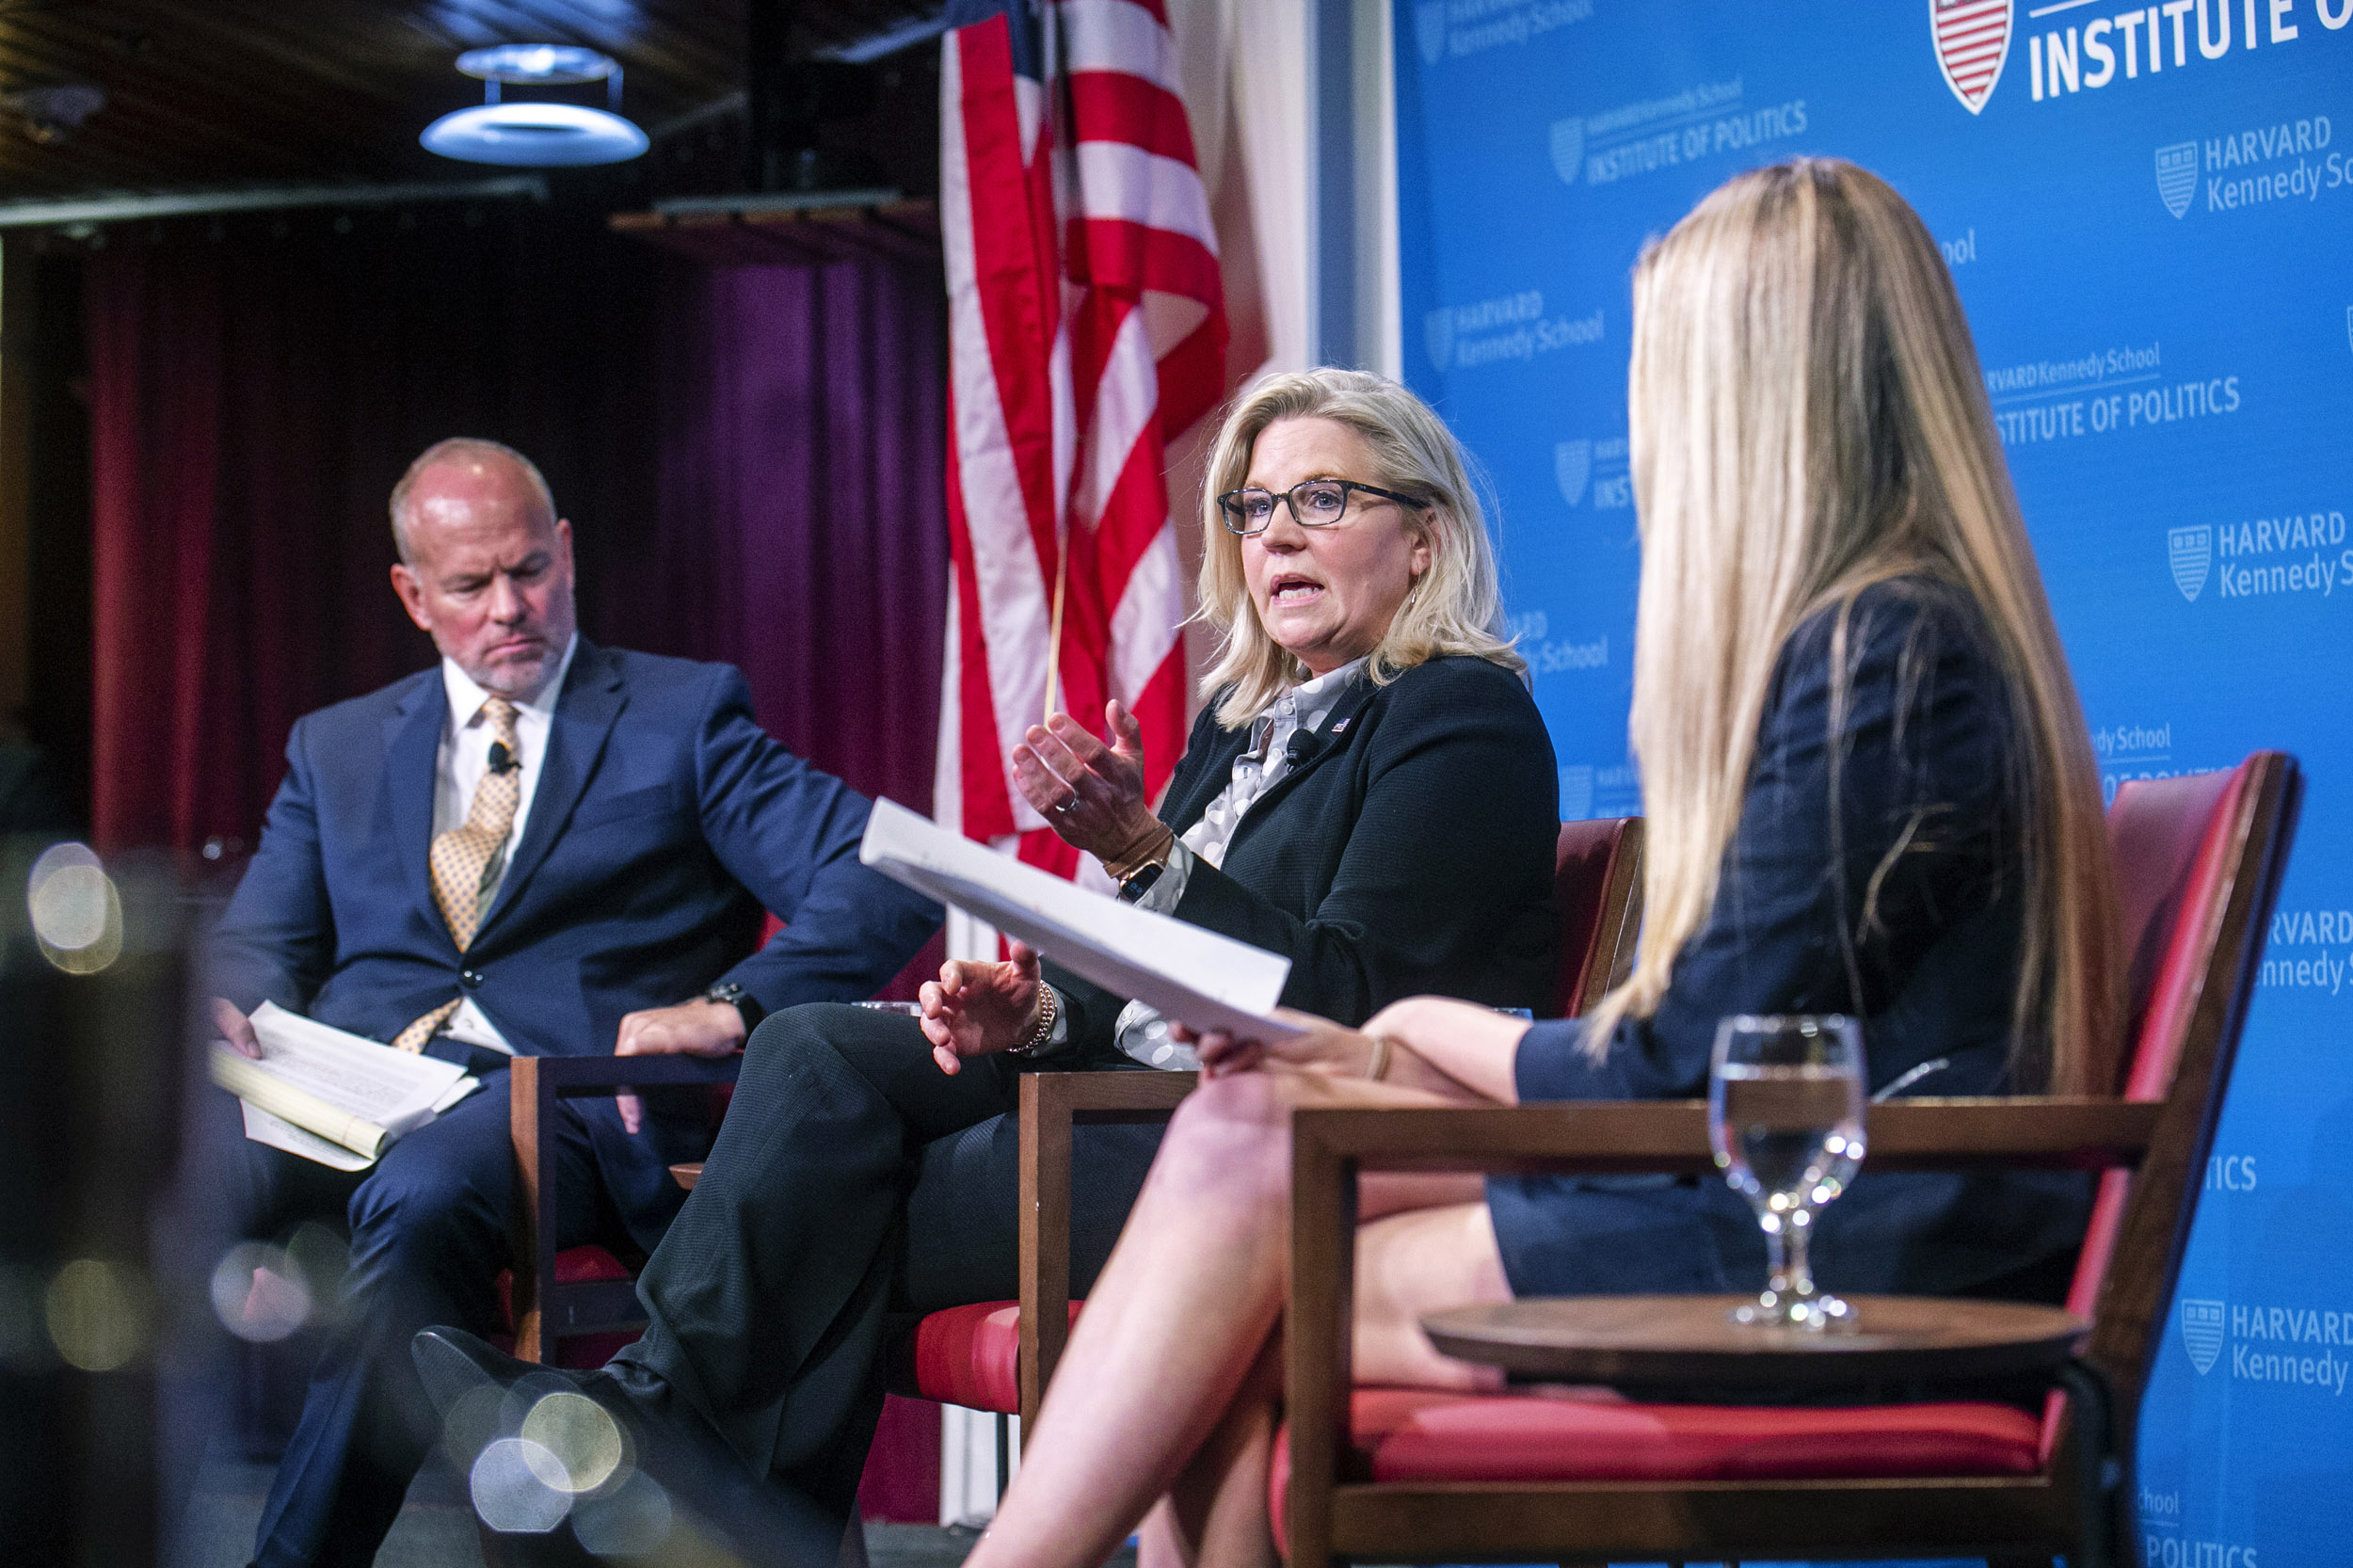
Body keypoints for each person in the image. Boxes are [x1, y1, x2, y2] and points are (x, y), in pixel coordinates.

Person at [955, 158, 2126, 1568]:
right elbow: (1705, 1040)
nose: (1649, 428)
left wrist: (1405, 1033)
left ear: (1753, 394)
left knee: (1244, 1298)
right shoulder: (1883, 631)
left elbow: (1677, 1058)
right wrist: (1370, 1063)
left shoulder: (1884, 651)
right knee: (1248, 1129)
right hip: (1772, 1180)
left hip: (1860, 1225)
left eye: (1666, 373)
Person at [415, 368, 1563, 1563]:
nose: (1273, 531)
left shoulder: (1456, 717)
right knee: (809, 1049)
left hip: (1274, 1139)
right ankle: (673, 1459)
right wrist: (1033, 1016)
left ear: (1422, 540)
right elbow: (1152, 978)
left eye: (1319, 500)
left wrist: (1142, 851)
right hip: (1139, 1092)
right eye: (1251, 506)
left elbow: (1344, 998)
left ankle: (647, 1444)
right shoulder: (1241, 726)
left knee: (817, 1212)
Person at [206, 438, 942, 1568]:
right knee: (102, 1171)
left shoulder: (679, 718)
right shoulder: (340, 746)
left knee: (423, 1199)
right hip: (345, 1091)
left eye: (529, 571)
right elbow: (262, 942)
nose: (511, 607)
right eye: (469, 586)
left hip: (562, 1107)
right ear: (412, 594)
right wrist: (224, 1002)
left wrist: (732, 1003)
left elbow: (881, 871)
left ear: (566, 553)